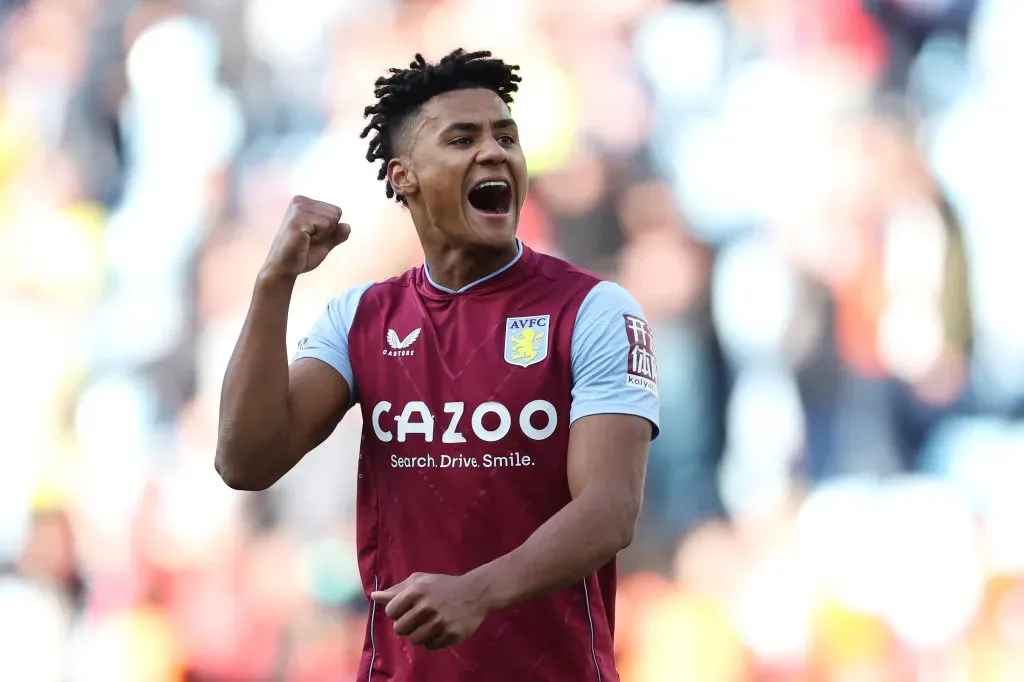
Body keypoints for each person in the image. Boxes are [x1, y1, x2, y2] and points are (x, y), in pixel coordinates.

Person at [215, 48, 660, 681]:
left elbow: (612, 508)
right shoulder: (361, 318)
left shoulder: (592, 309)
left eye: (507, 136)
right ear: (404, 177)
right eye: (463, 138)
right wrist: (273, 282)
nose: (494, 152)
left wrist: (478, 590)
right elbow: (244, 461)